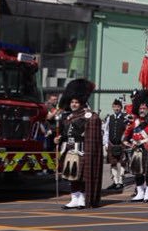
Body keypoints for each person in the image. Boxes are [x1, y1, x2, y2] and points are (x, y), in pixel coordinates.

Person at [56, 80, 103, 209]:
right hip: (69, 150)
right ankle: (74, 199)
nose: (74, 104)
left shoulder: (89, 116)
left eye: (76, 102)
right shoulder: (68, 117)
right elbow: (66, 134)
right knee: (72, 176)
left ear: (81, 103)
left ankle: (82, 198)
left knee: (82, 177)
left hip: (81, 150)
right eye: (72, 102)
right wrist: (59, 139)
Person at [103, 99, 132, 192]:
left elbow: (128, 132)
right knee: (113, 163)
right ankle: (115, 182)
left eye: (118, 107)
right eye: (115, 107)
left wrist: (127, 142)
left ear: (121, 108)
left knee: (122, 163)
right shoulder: (109, 118)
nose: (116, 108)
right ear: (112, 107)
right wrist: (106, 143)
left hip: (122, 144)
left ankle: (121, 181)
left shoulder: (125, 118)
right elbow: (106, 131)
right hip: (112, 144)